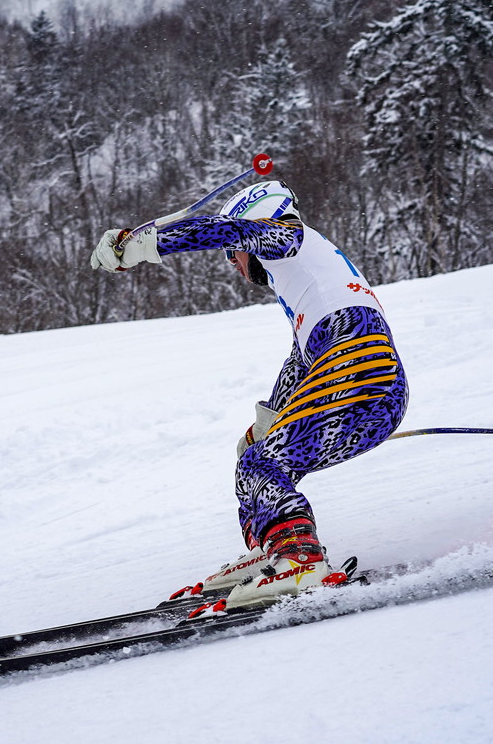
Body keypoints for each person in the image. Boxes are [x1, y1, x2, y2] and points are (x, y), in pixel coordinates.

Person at [89, 180, 408, 610]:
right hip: (368, 382)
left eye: (234, 254)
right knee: (254, 455)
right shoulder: (308, 281)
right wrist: (272, 416)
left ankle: (300, 556)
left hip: (360, 369)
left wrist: (145, 244)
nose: (234, 262)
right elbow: (301, 361)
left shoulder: (292, 238)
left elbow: (232, 232)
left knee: (264, 461)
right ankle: (272, 549)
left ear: (260, 221)